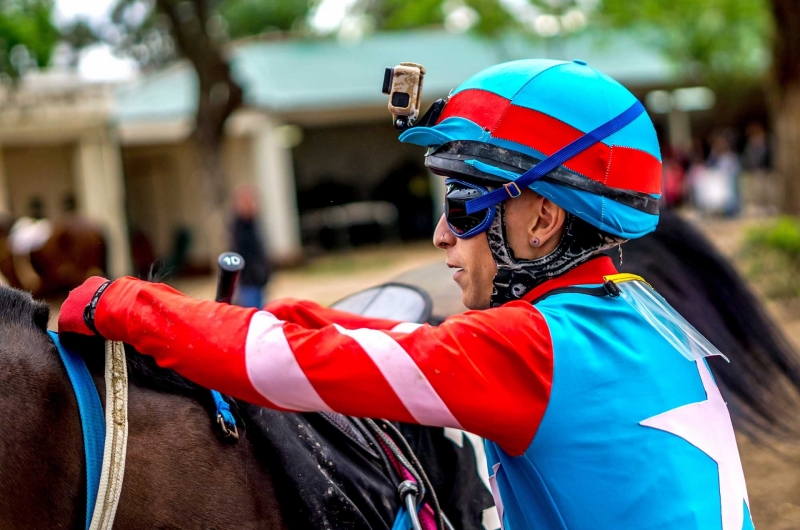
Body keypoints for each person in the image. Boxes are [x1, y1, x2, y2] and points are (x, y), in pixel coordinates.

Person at [59, 59, 753, 529]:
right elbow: (409, 348)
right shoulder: (637, 309)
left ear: (543, 218)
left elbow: (290, 369)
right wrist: (276, 314)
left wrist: (119, 302)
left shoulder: (530, 349)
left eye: (465, 206)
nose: (441, 236)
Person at [230, 184, 271, 308]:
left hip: (259, 279)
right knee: (253, 313)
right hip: (248, 280)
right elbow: (241, 252)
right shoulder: (239, 227)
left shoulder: (254, 224)